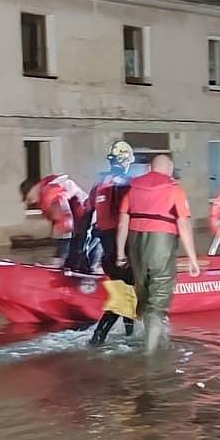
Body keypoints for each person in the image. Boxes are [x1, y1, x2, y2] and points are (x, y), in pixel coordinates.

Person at [115, 154, 200, 354]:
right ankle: (150, 355)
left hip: (136, 246)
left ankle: (143, 337)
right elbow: (183, 224)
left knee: (142, 295)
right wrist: (192, 258)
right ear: (169, 170)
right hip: (161, 245)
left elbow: (122, 223)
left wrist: (120, 254)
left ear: (149, 169)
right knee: (158, 300)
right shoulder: (174, 190)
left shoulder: (132, 190)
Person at [88, 141, 137, 346]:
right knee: (125, 296)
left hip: (107, 248)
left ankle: (129, 334)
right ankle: (98, 338)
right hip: (121, 247)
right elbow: (125, 216)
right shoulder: (124, 184)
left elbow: (89, 217)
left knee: (125, 292)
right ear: (126, 160)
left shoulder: (99, 184)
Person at [20, 173, 94, 271]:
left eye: (28, 196)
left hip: (84, 215)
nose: (29, 201)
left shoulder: (50, 193)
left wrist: (60, 255)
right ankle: (74, 268)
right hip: (78, 219)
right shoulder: (46, 193)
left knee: (79, 252)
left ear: (34, 188)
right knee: (75, 254)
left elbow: (65, 219)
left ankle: (84, 273)